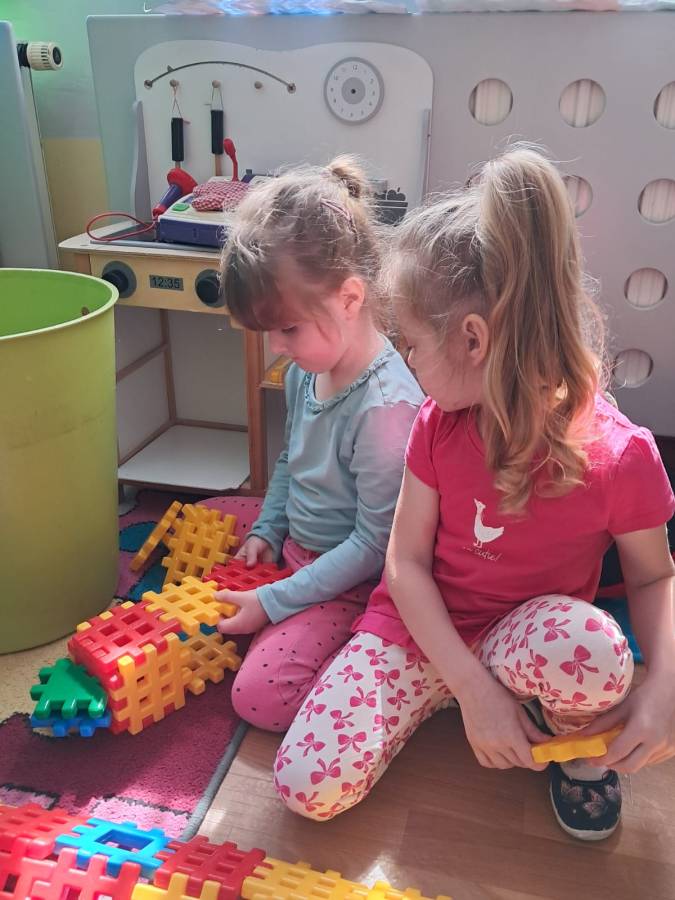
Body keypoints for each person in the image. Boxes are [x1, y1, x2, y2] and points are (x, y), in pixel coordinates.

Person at [274, 145, 675, 841]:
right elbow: (404, 565)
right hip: (417, 631)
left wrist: (665, 687)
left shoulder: (621, 455)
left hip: (522, 640)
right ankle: (460, 702)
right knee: (305, 786)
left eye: (412, 344)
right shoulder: (436, 425)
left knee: (596, 651)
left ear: (472, 340)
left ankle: (564, 737)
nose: (405, 361)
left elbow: (654, 577)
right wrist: (469, 688)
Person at [215, 156, 424, 733]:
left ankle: (365, 660)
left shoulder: (386, 411)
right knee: (211, 515)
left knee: (259, 697)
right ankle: (277, 608)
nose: (277, 348)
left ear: (350, 299)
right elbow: (290, 458)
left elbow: (374, 547)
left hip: (350, 583)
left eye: (288, 329)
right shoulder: (305, 371)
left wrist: (276, 599)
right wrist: (267, 530)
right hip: (297, 551)